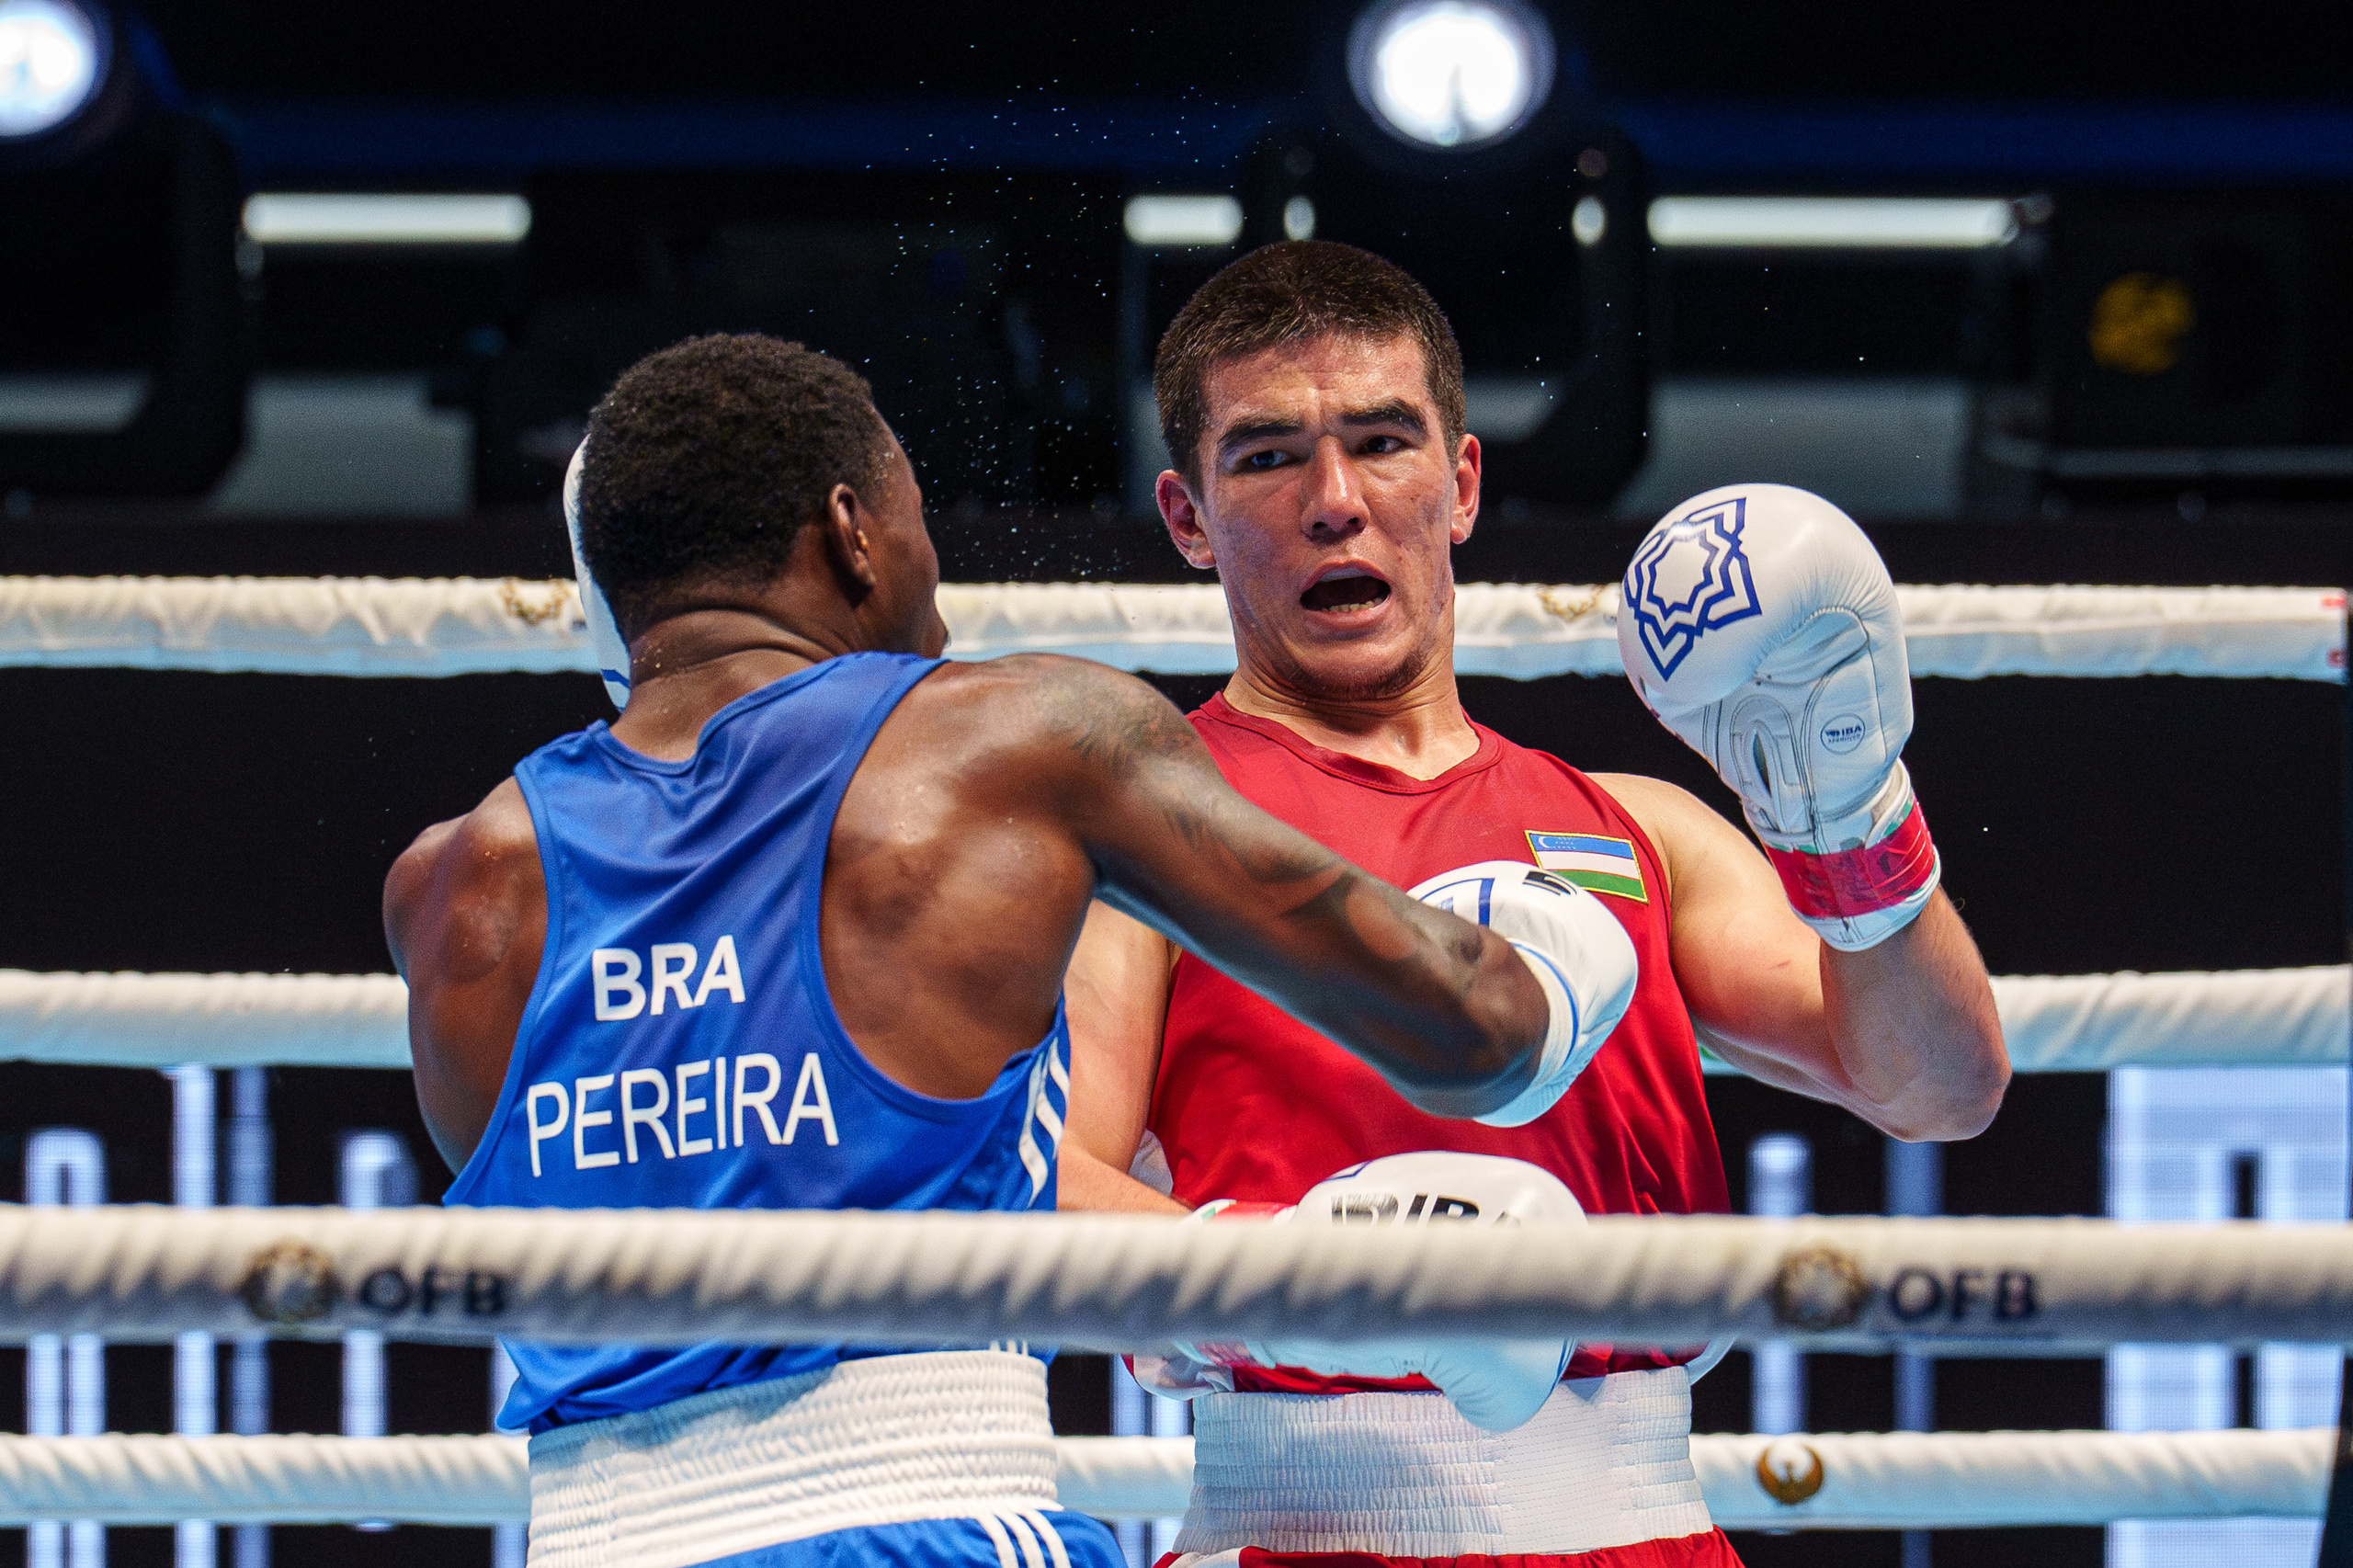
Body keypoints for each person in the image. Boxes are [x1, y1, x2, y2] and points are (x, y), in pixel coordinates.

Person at [382, 331, 1626, 1568]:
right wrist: (1561, 955)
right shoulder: (1010, 743)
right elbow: (1472, 1030)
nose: (937, 586)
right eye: (921, 524)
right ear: (852, 528)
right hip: (922, 1514)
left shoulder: (448, 891)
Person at [1057, 243, 2010, 1567]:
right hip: (1291, 1530)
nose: (1334, 500)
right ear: (1187, 517)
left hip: (1649, 1534)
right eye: (1267, 456)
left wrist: (1850, 812)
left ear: (1459, 485)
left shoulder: (1642, 833)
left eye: (1383, 441)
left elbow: (1939, 1087)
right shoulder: (1145, 840)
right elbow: (1040, 1196)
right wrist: (1319, 1280)